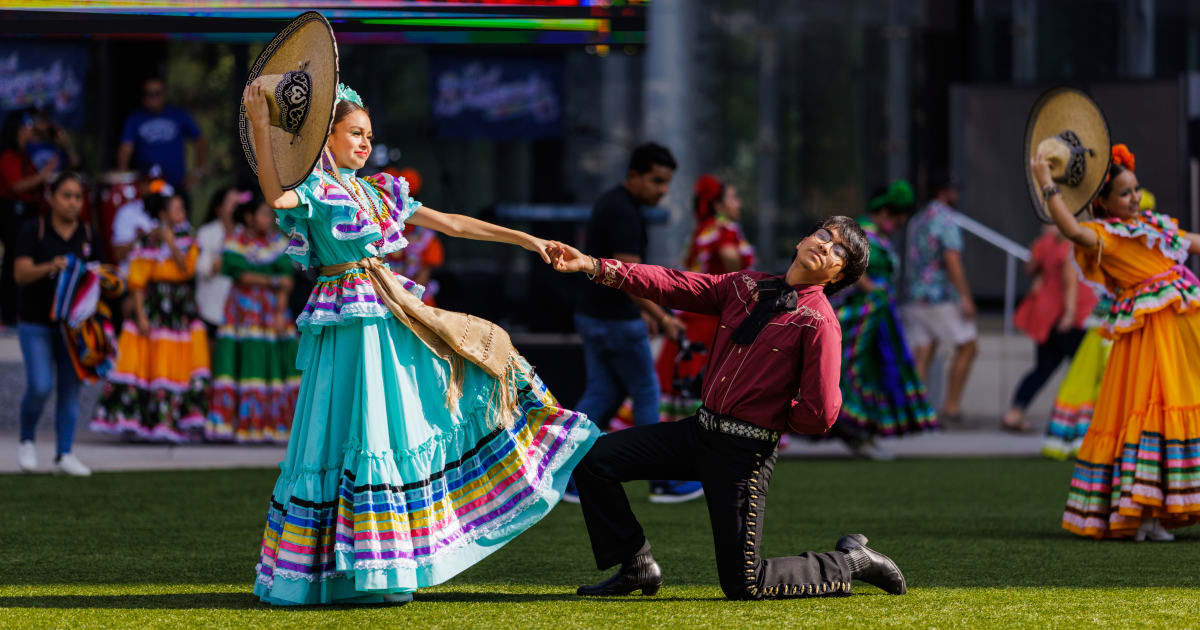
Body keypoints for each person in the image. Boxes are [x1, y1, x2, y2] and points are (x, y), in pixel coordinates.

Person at [243, 81, 599, 605]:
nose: (365, 144)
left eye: (368, 135)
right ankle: (349, 571)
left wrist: (528, 240)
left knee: (410, 415)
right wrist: (259, 125)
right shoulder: (318, 189)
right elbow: (276, 195)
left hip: (387, 316)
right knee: (349, 434)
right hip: (349, 323)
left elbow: (453, 222)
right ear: (327, 138)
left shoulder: (380, 190)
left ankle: (385, 566)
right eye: (355, 134)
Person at [547, 218, 909, 600]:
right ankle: (636, 564)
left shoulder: (819, 322)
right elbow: (672, 283)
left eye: (839, 251)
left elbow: (822, 412)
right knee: (593, 460)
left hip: (744, 457)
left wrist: (770, 417)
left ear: (839, 275)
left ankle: (851, 561)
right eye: (824, 235)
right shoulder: (745, 285)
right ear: (803, 240)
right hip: (698, 433)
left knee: (744, 584)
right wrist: (592, 264)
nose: (825, 246)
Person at [1034, 143, 1200, 540]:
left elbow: (1194, 242)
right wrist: (1046, 183)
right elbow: (1070, 229)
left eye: (1136, 189)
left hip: (1179, 333)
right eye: (1125, 193)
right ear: (1104, 202)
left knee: (1173, 406)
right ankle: (1137, 510)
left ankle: (1159, 512)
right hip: (1145, 337)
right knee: (1146, 410)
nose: (1134, 198)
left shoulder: (1154, 224)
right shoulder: (1102, 234)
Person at [571, 142, 701, 504]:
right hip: (615, 320)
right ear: (634, 176)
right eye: (657, 181)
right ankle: (661, 479)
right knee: (646, 392)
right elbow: (628, 277)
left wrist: (646, 312)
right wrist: (662, 317)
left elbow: (618, 275)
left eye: (666, 183)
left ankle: (565, 475)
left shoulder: (614, 203)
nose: (663, 190)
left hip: (594, 315)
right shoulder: (624, 211)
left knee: (601, 395)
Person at [89, 190, 210, 442]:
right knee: (149, 364)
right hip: (154, 310)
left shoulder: (189, 239)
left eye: (182, 209)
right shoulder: (146, 242)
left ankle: (176, 423)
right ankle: (141, 423)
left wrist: (171, 243)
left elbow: (186, 270)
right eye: (176, 209)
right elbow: (137, 282)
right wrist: (141, 315)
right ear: (162, 214)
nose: (181, 214)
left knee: (177, 365)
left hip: (180, 312)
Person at [831, 181, 936, 457]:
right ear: (888, 213)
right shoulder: (860, 231)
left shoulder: (874, 234)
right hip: (860, 315)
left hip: (877, 318)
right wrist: (870, 288)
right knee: (851, 369)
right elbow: (847, 263)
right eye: (899, 219)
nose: (899, 226)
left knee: (874, 371)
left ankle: (865, 433)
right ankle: (855, 432)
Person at [653, 173, 755, 424]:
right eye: (733, 197)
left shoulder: (703, 228)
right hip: (711, 319)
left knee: (679, 380)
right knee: (709, 381)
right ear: (718, 204)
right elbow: (729, 255)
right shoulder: (725, 228)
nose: (738, 203)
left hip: (690, 314)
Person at [13, 172, 95, 476]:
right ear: (52, 198)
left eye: (77, 197)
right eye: (66, 195)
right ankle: (26, 439)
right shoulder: (33, 230)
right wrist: (52, 266)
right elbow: (20, 274)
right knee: (40, 384)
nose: (73, 203)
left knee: (71, 389)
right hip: (36, 321)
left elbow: (97, 274)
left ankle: (65, 454)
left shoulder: (87, 233)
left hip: (73, 327)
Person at [205, 198, 300, 443]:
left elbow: (287, 281)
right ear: (248, 217)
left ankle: (274, 425)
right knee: (246, 360)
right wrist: (274, 281)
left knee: (274, 363)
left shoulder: (277, 243)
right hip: (244, 314)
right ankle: (241, 425)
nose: (268, 220)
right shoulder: (236, 242)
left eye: (269, 216)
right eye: (263, 215)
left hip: (272, 313)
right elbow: (242, 275)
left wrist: (280, 310)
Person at [1005, 224, 1097, 433]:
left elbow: (1031, 269)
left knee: (1043, 368)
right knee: (1080, 372)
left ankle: (1015, 413)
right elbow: (1070, 280)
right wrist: (1070, 314)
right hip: (1069, 318)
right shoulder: (1069, 245)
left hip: (1047, 317)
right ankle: (1069, 419)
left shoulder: (1044, 244)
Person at [900, 176, 977, 423]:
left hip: (914, 296)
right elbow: (952, 261)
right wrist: (965, 297)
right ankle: (951, 408)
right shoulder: (945, 219)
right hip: (939, 297)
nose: (957, 196)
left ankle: (914, 411)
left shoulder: (917, 219)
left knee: (924, 351)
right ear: (944, 192)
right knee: (968, 346)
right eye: (954, 191)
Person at [1, 108, 58, 328]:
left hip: (28, 210)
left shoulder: (25, 154)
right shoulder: (7, 155)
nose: (30, 131)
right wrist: (44, 175)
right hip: (11, 211)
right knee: (12, 262)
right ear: (16, 130)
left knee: (27, 258)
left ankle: (20, 309)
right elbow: (16, 185)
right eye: (26, 127)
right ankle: (8, 313)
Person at [117, 77, 207, 190]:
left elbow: (199, 140)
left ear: (164, 95)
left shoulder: (178, 115)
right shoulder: (134, 119)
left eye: (157, 93)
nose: (153, 98)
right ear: (143, 97)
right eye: (149, 94)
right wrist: (125, 181)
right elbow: (125, 149)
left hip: (177, 184)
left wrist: (198, 172)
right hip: (147, 186)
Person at [383, 167, 445, 306]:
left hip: (417, 303)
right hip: (384, 300)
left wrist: (405, 302)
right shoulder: (376, 230)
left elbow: (423, 275)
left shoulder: (425, 236)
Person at [195, 186, 248, 335]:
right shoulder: (206, 233)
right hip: (210, 308)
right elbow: (202, 269)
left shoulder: (245, 235)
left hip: (241, 311)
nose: (236, 209)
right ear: (218, 209)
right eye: (232, 204)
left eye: (238, 204)